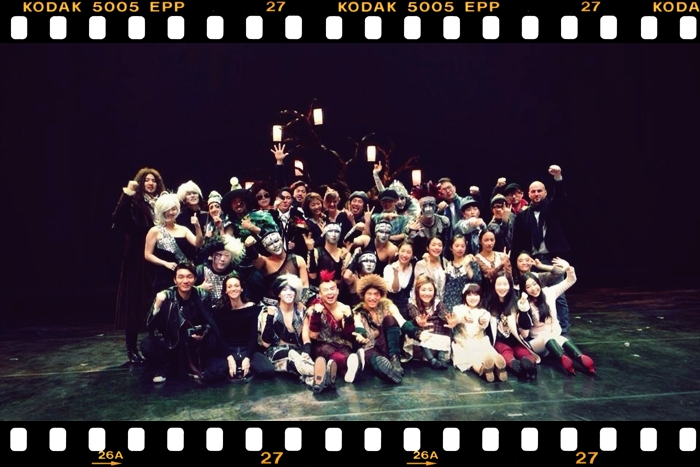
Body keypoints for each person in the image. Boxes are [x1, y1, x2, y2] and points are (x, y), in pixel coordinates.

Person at [511, 165, 572, 336]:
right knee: (533, 297)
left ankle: (564, 333)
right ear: (528, 194)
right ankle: (537, 332)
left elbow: (560, 197)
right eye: (533, 191)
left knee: (559, 296)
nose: (536, 194)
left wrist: (558, 177)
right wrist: (517, 264)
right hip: (532, 261)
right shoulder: (523, 215)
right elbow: (518, 242)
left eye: (539, 191)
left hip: (552, 258)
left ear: (545, 192)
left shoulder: (552, 208)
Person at [112, 167, 165, 364]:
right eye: (147, 180)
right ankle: (132, 348)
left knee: (155, 302)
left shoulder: (161, 203)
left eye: (154, 180)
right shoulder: (134, 203)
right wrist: (127, 194)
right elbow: (117, 219)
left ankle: (156, 347)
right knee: (134, 303)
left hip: (157, 257)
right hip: (136, 259)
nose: (150, 183)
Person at [140, 262, 225, 384]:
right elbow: (148, 326)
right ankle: (164, 367)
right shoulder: (166, 295)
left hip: (192, 338)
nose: (185, 281)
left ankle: (196, 365)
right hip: (171, 339)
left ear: (195, 279)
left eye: (189, 277)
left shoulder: (202, 295)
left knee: (213, 339)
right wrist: (157, 305)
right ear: (175, 280)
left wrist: (203, 333)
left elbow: (210, 321)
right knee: (147, 345)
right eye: (181, 277)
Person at [518, 265, 595, 375]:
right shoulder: (523, 303)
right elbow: (524, 334)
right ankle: (562, 358)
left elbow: (570, 280)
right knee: (547, 337)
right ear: (524, 290)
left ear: (539, 283)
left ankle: (581, 358)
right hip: (537, 343)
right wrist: (523, 308)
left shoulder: (549, 293)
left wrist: (568, 268)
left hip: (554, 338)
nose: (533, 289)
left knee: (562, 339)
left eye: (535, 284)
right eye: (528, 287)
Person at [351, 274, 429, 383]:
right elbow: (358, 325)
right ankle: (389, 373)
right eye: (369, 294)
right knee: (373, 358)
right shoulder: (358, 311)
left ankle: (395, 360)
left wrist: (417, 333)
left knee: (390, 319)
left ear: (381, 295)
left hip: (388, 346)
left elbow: (401, 321)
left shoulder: (388, 305)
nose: (372, 298)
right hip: (370, 346)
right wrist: (361, 334)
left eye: (376, 294)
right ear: (363, 295)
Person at [208, 273, 276, 382]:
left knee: (268, 370)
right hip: (228, 350)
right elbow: (221, 337)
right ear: (225, 291)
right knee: (211, 374)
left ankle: (244, 368)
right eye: (229, 287)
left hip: (247, 349)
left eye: (236, 286)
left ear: (242, 288)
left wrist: (247, 358)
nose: (233, 289)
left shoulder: (252, 308)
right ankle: (235, 368)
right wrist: (229, 358)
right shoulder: (220, 311)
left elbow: (253, 335)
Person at [258, 274, 318, 387]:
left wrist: (306, 352)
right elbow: (266, 343)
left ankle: (316, 380)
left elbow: (306, 339)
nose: (289, 293)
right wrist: (270, 317)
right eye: (285, 290)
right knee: (292, 356)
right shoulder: (269, 311)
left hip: (297, 350)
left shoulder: (301, 312)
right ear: (279, 294)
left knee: (301, 361)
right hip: (275, 352)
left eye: (292, 290)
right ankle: (319, 372)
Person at [303, 271, 357, 392]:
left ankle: (347, 372)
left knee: (347, 354)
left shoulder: (344, 308)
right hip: (322, 346)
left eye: (332, 289)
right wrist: (316, 315)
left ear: (337, 291)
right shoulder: (313, 309)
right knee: (335, 356)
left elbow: (348, 335)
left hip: (341, 344)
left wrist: (349, 319)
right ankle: (349, 365)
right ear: (320, 295)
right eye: (326, 290)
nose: (330, 293)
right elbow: (313, 335)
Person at [144, 193, 203, 298]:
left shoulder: (183, 229)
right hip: (163, 276)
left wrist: (197, 227)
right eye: (167, 210)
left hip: (183, 277)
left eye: (173, 209)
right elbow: (148, 255)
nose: (171, 212)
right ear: (161, 211)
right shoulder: (155, 231)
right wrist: (165, 263)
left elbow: (198, 243)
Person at [447, 283, 507, 382]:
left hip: (479, 342)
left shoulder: (483, 312)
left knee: (487, 354)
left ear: (480, 297)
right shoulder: (458, 308)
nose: (472, 298)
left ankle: (498, 367)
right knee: (471, 360)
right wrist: (463, 319)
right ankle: (483, 370)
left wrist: (481, 321)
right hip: (462, 342)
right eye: (469, 295)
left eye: (476, 295)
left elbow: (485, 321)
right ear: (464, 296)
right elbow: (457, 318)